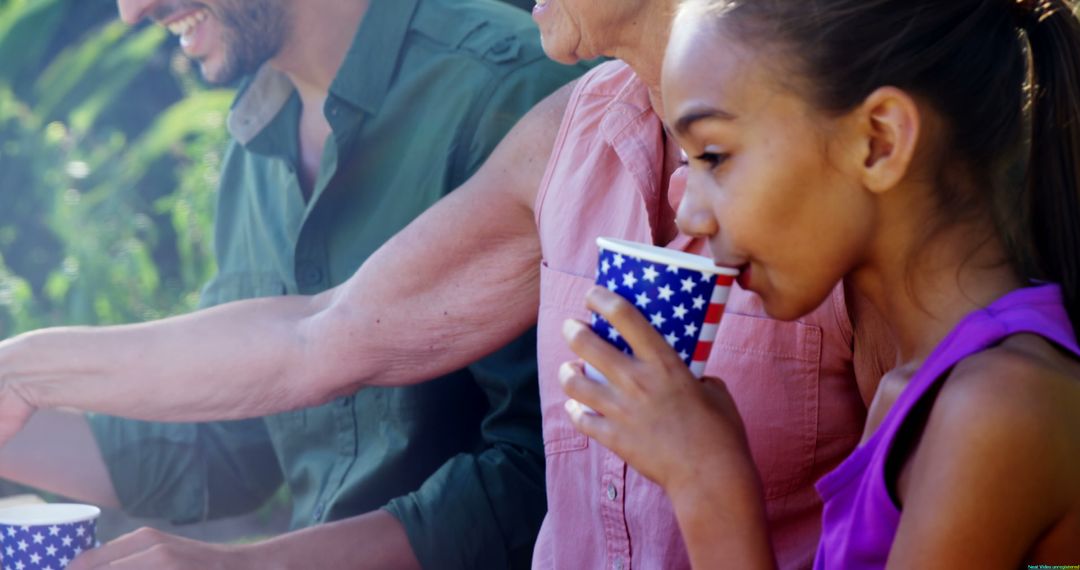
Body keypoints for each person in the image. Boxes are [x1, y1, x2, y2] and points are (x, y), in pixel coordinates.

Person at [0, 1, 891, 568]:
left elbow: (516, 484)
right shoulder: (571, 130)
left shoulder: (840, 172)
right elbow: (321, 336)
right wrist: (24, 370)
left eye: (718, 163)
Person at [0, 0, 585, 568]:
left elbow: (553, 473)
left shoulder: (512, 87)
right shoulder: (255, 138)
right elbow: (228, 447)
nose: (131, 11)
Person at [559, 0, 1080, 567]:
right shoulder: (910, 392)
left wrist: (705, 483)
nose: (689, 215)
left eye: (714, 155)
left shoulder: (996, 409)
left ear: (879, 141)